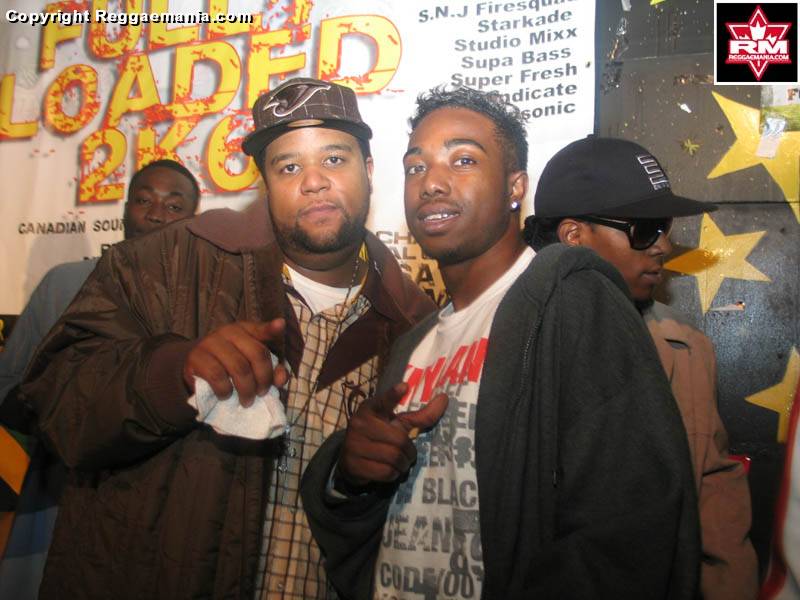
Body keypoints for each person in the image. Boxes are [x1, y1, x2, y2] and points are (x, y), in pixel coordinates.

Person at [17, 78, 434, 599]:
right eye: (288, 167)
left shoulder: (414, 323)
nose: (313, 182)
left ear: (368, 170)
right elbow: (55, 405)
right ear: (266, 184)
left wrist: (353, 481)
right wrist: (174, 373)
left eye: (334, 159)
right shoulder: (164, 263)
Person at [301, 87, 700, 599]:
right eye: (416, 166)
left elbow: (633, 524)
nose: (431, 183)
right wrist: (352, 475)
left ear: (516, 186)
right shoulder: (413, 343)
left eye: (463, 160)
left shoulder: (573, 299)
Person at [523, 135, 758, 600]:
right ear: (573, 236)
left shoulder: (686, 348)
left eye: (665, 227)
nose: (664, 246)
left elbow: (715, 496)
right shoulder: (510, 342)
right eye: (645, 229)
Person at [0, 159, 200, 600]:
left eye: (173, 205)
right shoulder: (64, 283)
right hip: (60, 493)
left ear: (193, 219)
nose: (156, 214)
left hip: (162, 508)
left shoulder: (205, 301)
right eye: (144, 200)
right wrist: (57, 406)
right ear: (125, 209)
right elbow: (8, 386)